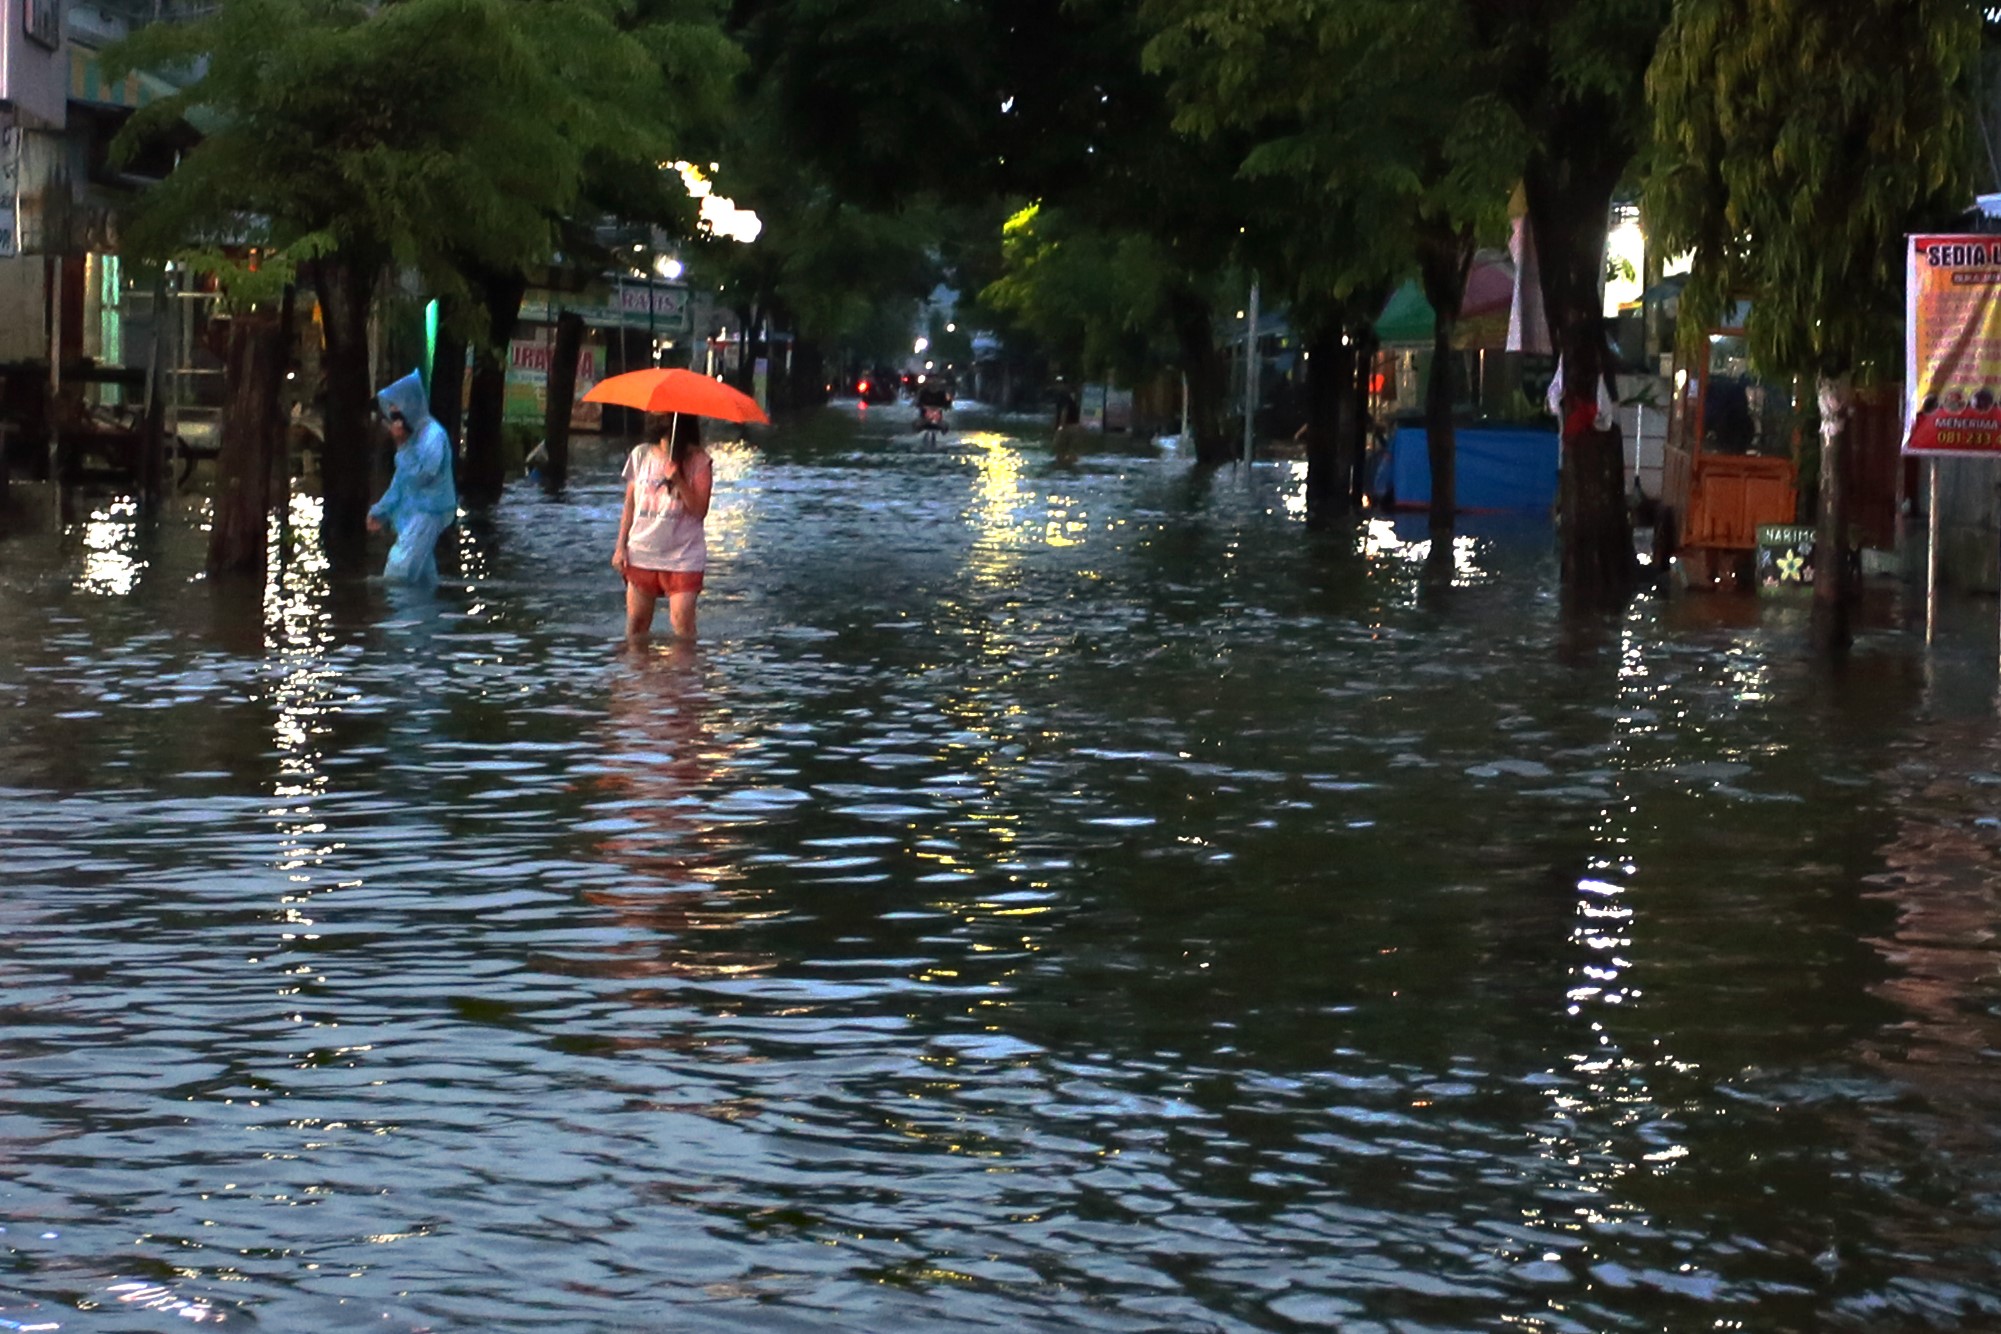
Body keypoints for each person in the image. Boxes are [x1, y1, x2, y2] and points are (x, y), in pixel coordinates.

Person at [612, 413, 713, 641]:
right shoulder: (641, 455)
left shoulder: (699, 461)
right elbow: (630, 504)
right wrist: (620, 546)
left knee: (683, 627)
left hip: (683, 556)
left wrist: (678, 480)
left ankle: (684, 675)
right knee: (636, 627)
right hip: (642, 551)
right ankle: (637, 676)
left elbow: (700, 510)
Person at [366, 369, 457, 584]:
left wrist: (402, 446)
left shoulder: (433, 436)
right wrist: (381, 511)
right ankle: (427, 615)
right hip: (413, 515)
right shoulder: (413, 439)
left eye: (399, 415)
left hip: (430, 512)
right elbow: (400, 484)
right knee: (422, 578)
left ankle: (403, 616)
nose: (395, 421)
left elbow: (423, 475)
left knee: (398, 571)